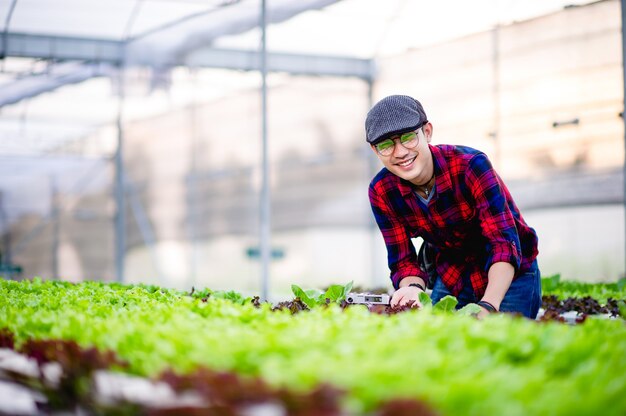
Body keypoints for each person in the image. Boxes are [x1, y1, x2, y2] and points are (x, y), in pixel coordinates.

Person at [365, 95, 541, 319]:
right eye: (386, 145)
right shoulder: (382, 191)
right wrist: (413, 289)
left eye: (408, 138)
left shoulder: (470, 165)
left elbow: (503, 244)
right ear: (374, 150)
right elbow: (403, 260)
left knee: (506, 345)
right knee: (446, 346)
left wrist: (488, 305)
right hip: (453, 275)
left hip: (510, 275)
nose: (399, 152)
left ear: (427, 132)